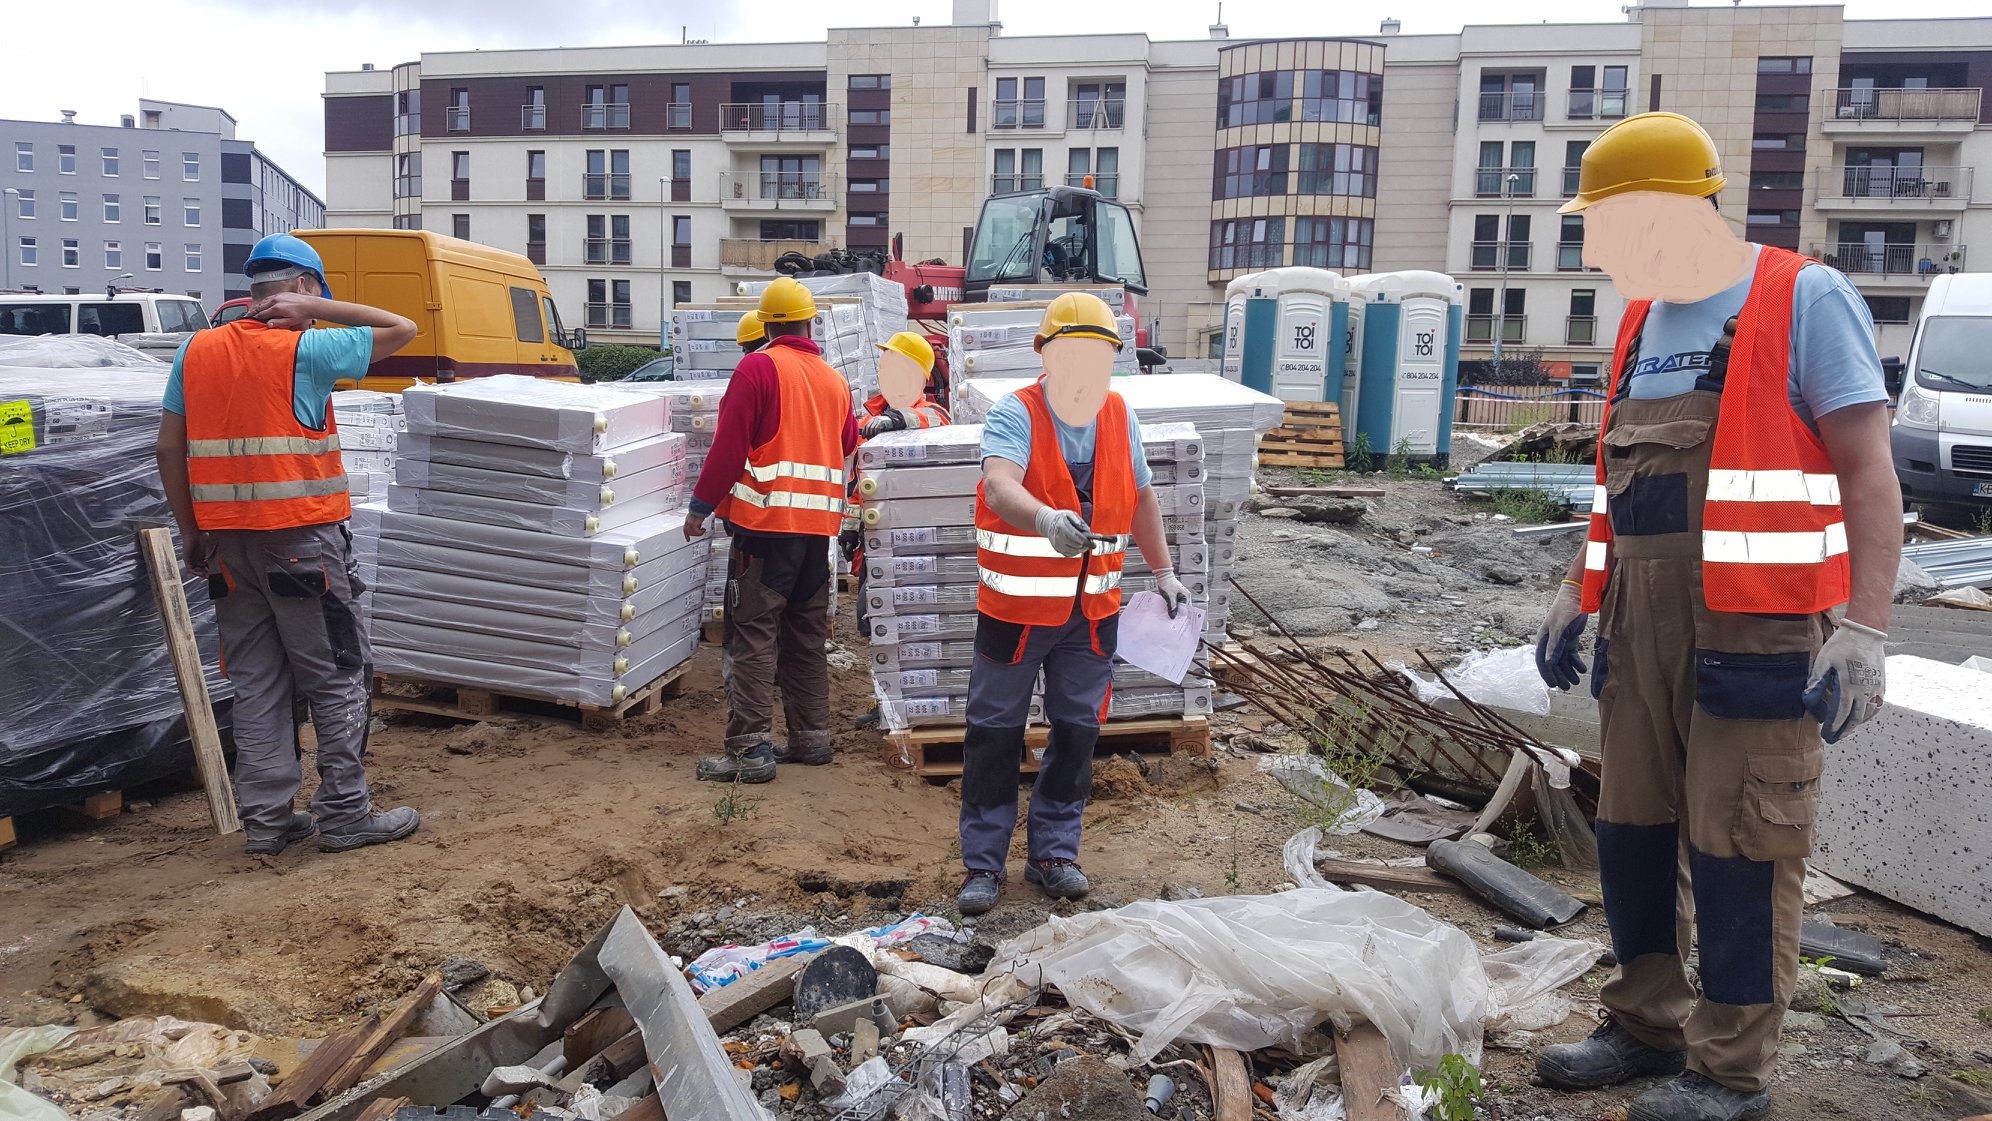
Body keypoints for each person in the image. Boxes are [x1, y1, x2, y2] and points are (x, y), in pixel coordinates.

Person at [1532, 113, 1901, 1121]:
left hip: (1759, 628)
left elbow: (1869, 475)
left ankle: (1730, 1066)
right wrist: (1582, 585)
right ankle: (1644, 1020)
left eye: (1604, 224)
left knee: (1741, 839)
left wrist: (1864, 628)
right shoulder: (1644, 321)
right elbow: (1624, 486)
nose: (1595, 247)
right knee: (1632, 827)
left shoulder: (1802, 297)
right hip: (1639, 627)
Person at [154, 233, 422, 856]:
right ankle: (346, 813)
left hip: (226, 544)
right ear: (301, 287)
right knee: (335, 674)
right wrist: (318, 312)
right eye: (315, 293)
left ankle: (269, 822)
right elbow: (401, 327)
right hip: (301, 539)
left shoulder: (195, 349)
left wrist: (193, 531)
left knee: (256, 680)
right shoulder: (306, 345)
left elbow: (169, 448)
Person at [955, 293, 1191, 915]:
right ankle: (983, 865)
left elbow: (1140, 498)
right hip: (1015, 615)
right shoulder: (1017, 413)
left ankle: (1055, 854)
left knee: (1079, 733)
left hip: (1092, 617)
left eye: (1100, 353)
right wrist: (1043, 517)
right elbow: (1000, 484)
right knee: (993, 737)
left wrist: (1163, 571)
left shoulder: (1119, 416)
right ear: (1048, 355)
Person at [685, 277, 858, 783]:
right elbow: (847, 442)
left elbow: (728, 448)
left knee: (752, 633)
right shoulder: (833, 380)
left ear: (765, 325)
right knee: (804, 635)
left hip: (764, 529)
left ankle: (749, 749)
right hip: (815, 533)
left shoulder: (758, 367)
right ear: (810, 322)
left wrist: (700, 507)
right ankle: (812, 738)